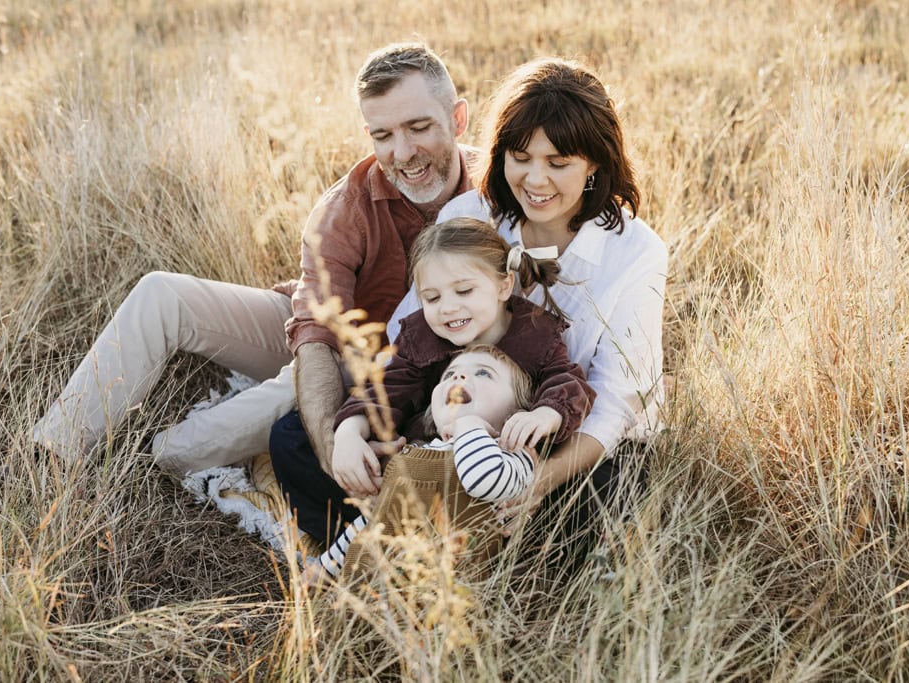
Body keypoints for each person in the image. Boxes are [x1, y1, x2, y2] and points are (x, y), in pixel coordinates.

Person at [32, 43, 474, 474]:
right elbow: (315, 334)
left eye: (419, 128)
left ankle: (158, 458)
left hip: (393, 366)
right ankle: (53, 452)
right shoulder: (345, 209)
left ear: (458, 119)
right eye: (383, 135)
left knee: (312, 381)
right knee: (162, 293)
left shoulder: (494, 191)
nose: (402, 153)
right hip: (323, 335)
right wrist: (328, 444)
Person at [389, 57, 668, 567]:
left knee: (595, 504)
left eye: (559, 162)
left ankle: (504, 553)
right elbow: (406, 331)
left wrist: (540, 480)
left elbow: (615, 405)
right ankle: (401, 542)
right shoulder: (469, 216)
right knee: (298, 440)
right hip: (463, 419)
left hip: (574, 440)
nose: (535, 180)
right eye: (521, 157)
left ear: (595, 166)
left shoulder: (637, 253)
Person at [274, 216, 595, 541]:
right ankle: (356, 537)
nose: (448, 308)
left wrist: (545, 414)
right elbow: (386, 389)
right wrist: (348, 434)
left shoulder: (535, 333)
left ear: (503, 285)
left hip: (500, 470)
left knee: (590, 489)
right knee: (290, 435)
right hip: (427, 458)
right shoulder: (422, 334)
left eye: (464, 291)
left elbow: (568, 381)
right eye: (433, 298)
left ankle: (497, 549)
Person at [310, 345, 540, 585]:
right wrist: (326, 567)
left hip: (450, 596)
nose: (459, 377)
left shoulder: (515, 456)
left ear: (516, 413)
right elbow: (376, 518)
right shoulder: (418, 454)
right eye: (450, 375)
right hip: (374, 585)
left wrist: (469, 426)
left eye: (484, 373)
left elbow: (483, 482)